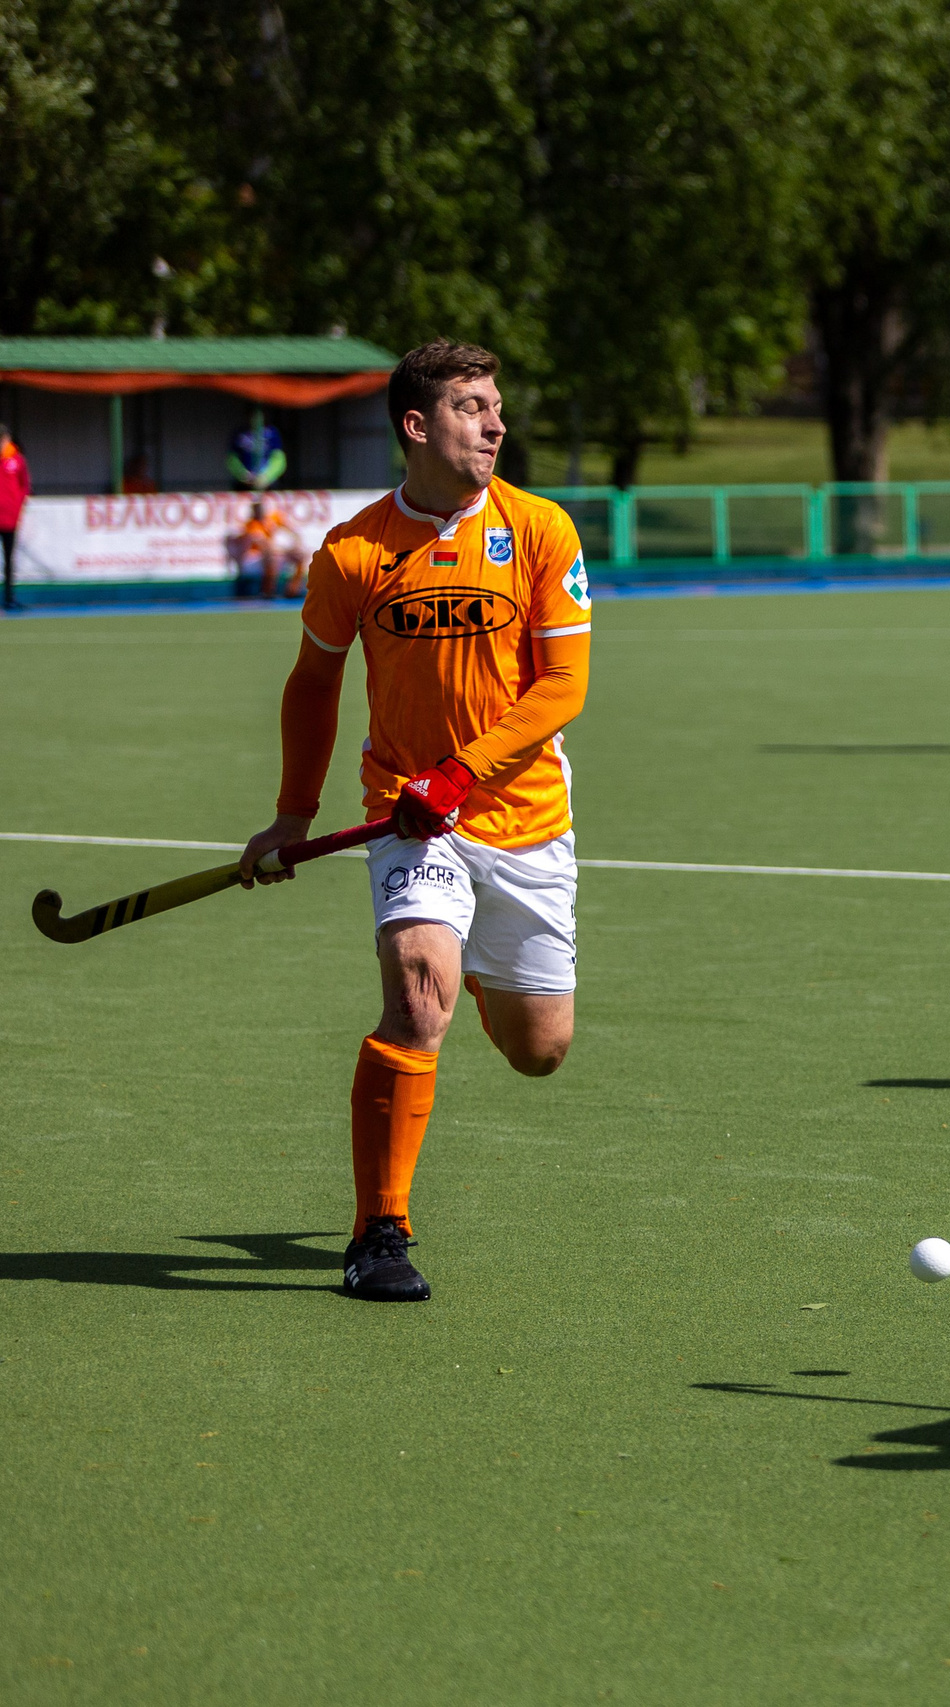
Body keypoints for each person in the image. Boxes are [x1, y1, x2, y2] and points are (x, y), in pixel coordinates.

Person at [237, 339, 592, 1304]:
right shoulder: (355, 550)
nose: (496, 422)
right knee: (413, 1000)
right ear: (418, 424)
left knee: (539, 1049)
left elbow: (565, 686)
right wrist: (291, 813)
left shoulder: (542, 529)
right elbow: (314, 684)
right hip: (410, 816)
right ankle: (378, 1232)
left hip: (524, 819)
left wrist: (464, 771)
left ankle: (479, 973)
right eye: (474, 406)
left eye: (497, 404)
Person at [0, 423, 27, 612]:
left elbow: (24, 486)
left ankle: (9, 598)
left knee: (9, 560)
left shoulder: (17, 460)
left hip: (9, 519)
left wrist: (16, 508)